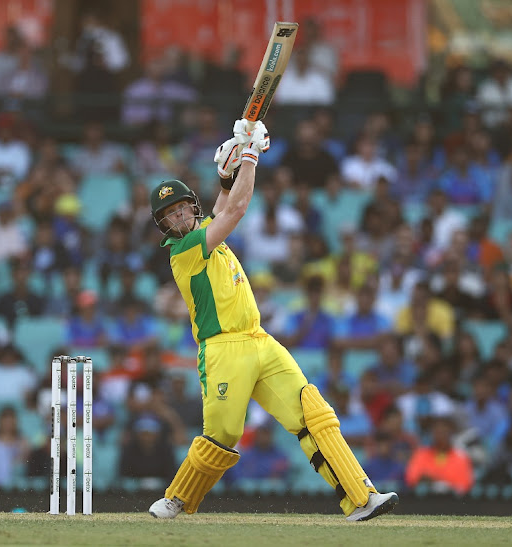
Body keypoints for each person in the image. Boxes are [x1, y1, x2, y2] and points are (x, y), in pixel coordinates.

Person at [146, 119, 397, 521]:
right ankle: (178, 499)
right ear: (164, 226)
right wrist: (250, 156)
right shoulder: (184, 251)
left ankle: (360, 498)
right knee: (223, 436)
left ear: (192, 206)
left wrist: (227, 175)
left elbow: (227, 204)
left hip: (261, 340)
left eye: (181, 208)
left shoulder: (206, 229)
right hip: (223, 347)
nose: (178, 217)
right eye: (169, 215)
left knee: (313, 413)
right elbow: (238, 211)